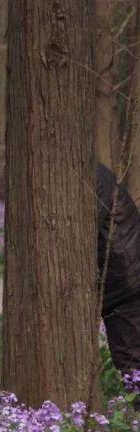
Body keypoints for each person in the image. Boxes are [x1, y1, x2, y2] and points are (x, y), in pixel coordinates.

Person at [97, 163, 140, 387]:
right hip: (124, 277)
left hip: (124, 280)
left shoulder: (93, 177)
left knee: (132, 361)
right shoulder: (95, 173)